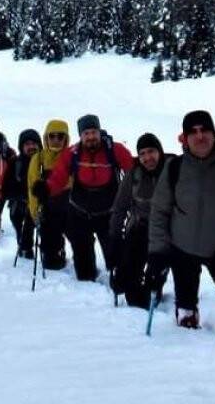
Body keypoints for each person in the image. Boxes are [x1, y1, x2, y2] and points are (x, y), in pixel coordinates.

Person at [146, 110, 215, 344]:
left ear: (213, 133)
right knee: (185, 302)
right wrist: (158, 252)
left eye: (204, 130)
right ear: (185, 138)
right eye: (193, 132)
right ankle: (187, 328)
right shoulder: (174, 167)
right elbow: (160, 211)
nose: (199, 137)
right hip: (182, 248)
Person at [43, 114, 135, 282]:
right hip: (80, 212)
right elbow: (59, 177)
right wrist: (46, 189)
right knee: (83, 261)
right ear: (80, 136)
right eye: (86, 133)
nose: (90, 137)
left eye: (94, 132)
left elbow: (133, 171)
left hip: (109, 212)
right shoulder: (72, 153)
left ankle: (121, 281)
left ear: (100, 132)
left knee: (116, 256)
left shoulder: (115, 150)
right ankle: (87, 281)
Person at [109, 132, 173, 308]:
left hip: (167, 233)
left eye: (151, 151)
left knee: (155, 274)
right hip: (140, 229)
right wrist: (115, 237)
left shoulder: (173, 169)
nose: (147, 158)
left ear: (159, 151)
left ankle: (155, 289)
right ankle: (134, 296)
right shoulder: (134, 174)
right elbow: (120, 207)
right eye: (142, 153)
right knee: (127, 281)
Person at [29, 119, 71, 271]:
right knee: (49, 248)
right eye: (51, 136)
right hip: (48, 209)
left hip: (70, 207)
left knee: (82, 242)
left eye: (60, 136)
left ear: (66, 138)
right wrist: (35, 212)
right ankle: (53, 258)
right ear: (46, 137)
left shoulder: (72, 156)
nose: (55, 140)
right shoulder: (38, 159)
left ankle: (87, 270)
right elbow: (32, 186)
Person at [8, 129, 41, 258]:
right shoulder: (15, 163)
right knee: (21, 228)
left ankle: (46, 251)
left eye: (34, 143)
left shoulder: (43, 162)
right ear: (21, 147)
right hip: (19, 204)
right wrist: (19, 196)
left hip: (38, 203)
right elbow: (6, 186)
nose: (31, 147)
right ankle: (24, 248)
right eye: (27, 144)